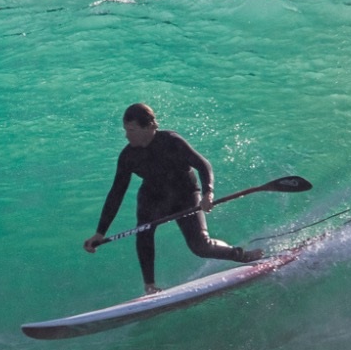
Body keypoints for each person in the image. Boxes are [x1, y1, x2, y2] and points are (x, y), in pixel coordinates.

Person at [82, 103, 262, 293]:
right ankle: (150, 286)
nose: (127, 135)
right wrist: (100, 232)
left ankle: (241, 255)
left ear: (148, 127)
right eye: (126, 130)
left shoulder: (171, 141)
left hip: (185, 194)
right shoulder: (128, 156)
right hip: (154, 196)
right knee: (144, 231)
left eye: (132, 130)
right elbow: (116, 193)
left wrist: (208, 193)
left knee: (200, 247)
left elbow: (203, 165)